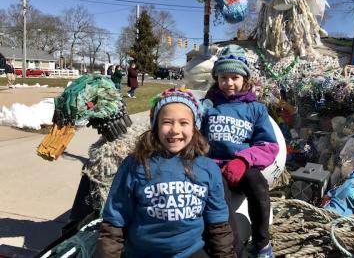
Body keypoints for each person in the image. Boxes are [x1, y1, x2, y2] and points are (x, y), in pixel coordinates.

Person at [94, 88, 236, 258]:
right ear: (155, 125)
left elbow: (218, 223)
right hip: (143, 253)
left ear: (194, 128)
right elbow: (115, 221)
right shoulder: (134, 165)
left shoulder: (208, 168)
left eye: (184, 123)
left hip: (190, 251)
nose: (175, 130)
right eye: (167, 122)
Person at [201, 45, 279, 258]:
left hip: (243, 166)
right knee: (220, 202)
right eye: (223, 77)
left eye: (234, 77)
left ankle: (262, 244)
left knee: (259, 187)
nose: (229, 83)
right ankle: (232, 250)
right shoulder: (207, 106)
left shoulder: (256, 109)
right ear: (216, 78)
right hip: (214, 167)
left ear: (245, 78)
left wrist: (243, 161)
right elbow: (194, 135)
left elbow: (269, 146)